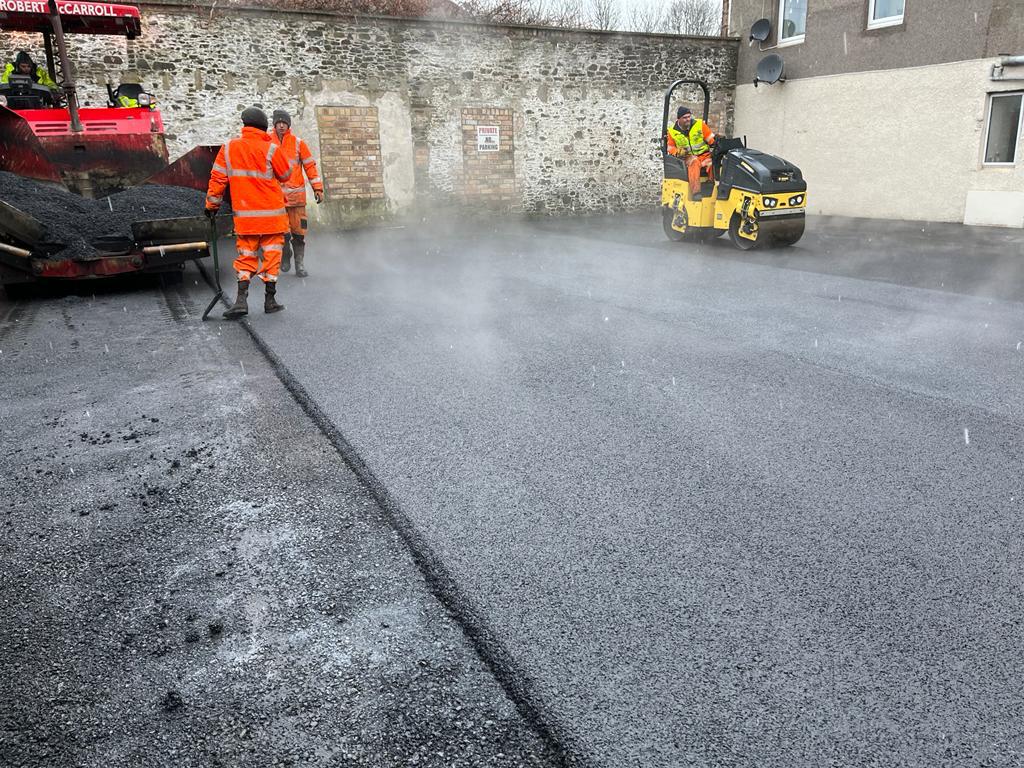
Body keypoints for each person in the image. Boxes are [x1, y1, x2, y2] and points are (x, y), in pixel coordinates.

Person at [205, 107, 294, 319]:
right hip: (272, 217)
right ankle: (270, 300)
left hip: (246, 218)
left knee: (246, 257)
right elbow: (286, 175)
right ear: (264, 126)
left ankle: (241, 301)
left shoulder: (228, 148)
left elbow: (217, 180)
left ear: (244, 124)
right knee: (272, 257)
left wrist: (211, 206)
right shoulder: (271, 148)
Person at [270, 109, 324, 278]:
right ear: (274, 124)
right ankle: (286, 254)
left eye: (284, 123)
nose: (281, 126)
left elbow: (310, 166)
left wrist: (317, 188)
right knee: (283, 234)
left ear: (288, 125)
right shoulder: (267, 142)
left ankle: (299, 265)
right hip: (276, 200)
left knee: (299, 234)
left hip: (297, 200)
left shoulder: (298, 143)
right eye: (278, 122)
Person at [667, 106, 716, 199]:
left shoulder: (700, 124)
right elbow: (670, 148)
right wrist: (678, 152)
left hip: (704, 155)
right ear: (679, 119)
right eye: (685, 117)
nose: (688, 119)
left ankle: (710, 185)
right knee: (694, 162)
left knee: (712, 162)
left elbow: (711, 139)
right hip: (687, 158)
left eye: (689, 116)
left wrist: (716, 142)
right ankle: (696, 193)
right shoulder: (672, 131)